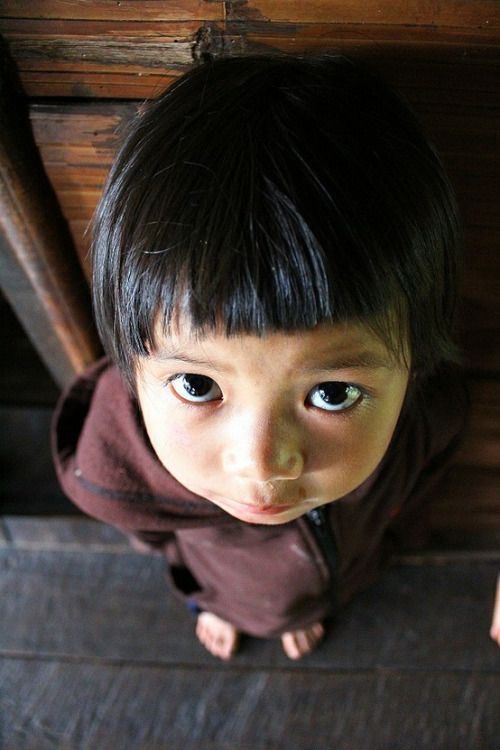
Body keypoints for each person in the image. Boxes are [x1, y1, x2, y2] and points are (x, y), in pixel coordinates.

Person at [53, 53, 471, 661]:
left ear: (414, 368)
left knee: (329, 583)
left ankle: (311, 603)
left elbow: (430, 471)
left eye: (332, 393)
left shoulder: (428, 415)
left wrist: (397, 534)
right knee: (232, 597)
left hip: (354, 563)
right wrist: (203, 594)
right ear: (132, 368)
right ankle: (226, 608)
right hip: (226, 587)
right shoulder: (113, 471)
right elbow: (153, 539)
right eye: (197, 385)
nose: (261, 464)